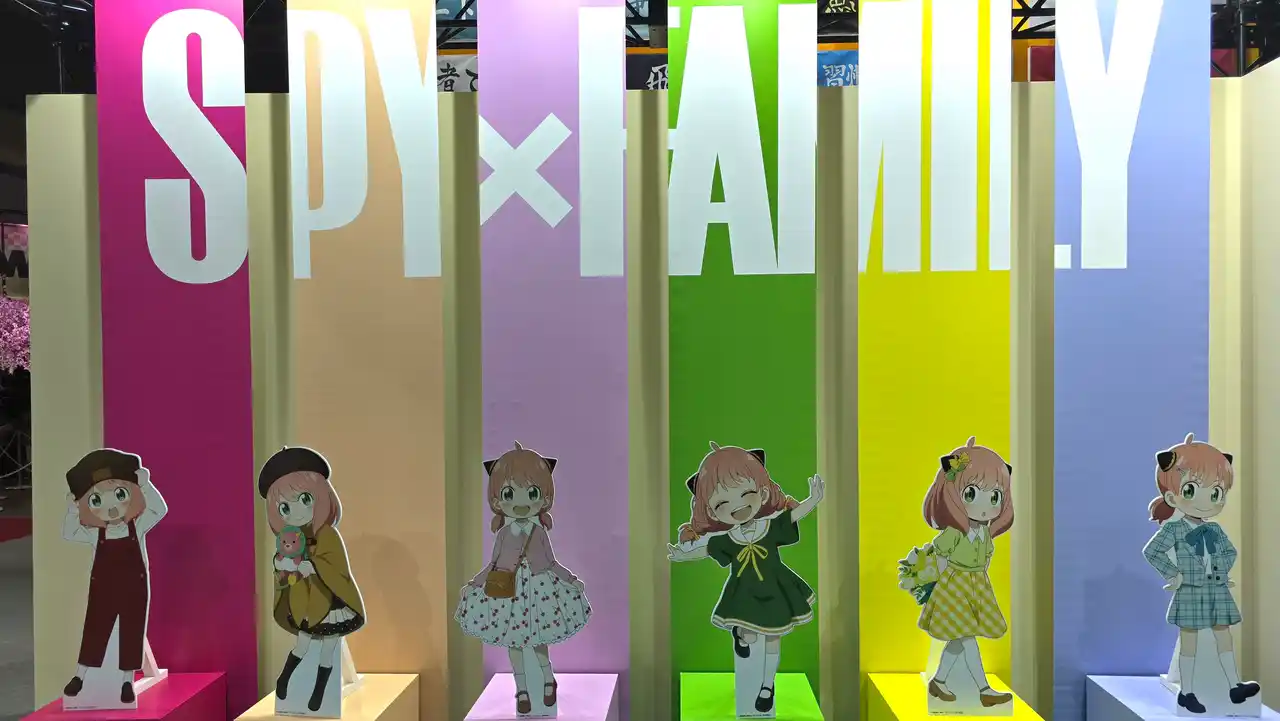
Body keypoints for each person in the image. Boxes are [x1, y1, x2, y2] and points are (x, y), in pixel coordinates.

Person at [667, 442, 823, 714]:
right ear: (711, 511)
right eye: (722, 503)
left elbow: (792, 516)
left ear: (762, 493)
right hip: (744, 593)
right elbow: (705, 549)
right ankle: (741, 634)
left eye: (746, 493)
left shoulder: (770, 527)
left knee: (773, 640)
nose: (737, 506)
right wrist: (683, 554)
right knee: (750, 633)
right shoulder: (728, 538)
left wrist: (813, 499)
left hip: (776, 589)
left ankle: (767, 687)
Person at [454, 442, 591, 714]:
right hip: (510, 592)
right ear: (497, 499)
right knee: (514, 644)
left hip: (538, 590)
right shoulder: (504, 534)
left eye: (531, 493)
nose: (520, 504)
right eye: (509, 494)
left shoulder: (538, 532)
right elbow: (493, 564)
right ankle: (522, 691)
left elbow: (551, 563)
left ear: (544, 497)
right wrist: (475, 584)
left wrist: (571, 579)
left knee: (539, 641)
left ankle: (548, 681)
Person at [1142, 433, 1260, 714]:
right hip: (1191, 589)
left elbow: (1230, 552)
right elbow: (1152, 552)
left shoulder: (1214, 529)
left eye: (1216, 492)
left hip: (1216, 588)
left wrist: (1221, 571)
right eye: (1192, 490)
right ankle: (1187, 692)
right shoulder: (1174, 529)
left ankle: (1234, 686)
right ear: (1172, 496)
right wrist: (1174, 575)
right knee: (1190, 641)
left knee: (1224, 635)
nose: (1207, 501)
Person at [260, 447, 366, 713]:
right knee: (302, 644)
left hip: (329, 603)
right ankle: (284, 680)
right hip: (305, 604)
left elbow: (338, 570)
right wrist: (281, 568)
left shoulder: (328, 535)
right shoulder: (291, 540)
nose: (296, 511)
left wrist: (314, 567)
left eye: (304, 499)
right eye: (285, 507)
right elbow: (284, 578)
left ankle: (320, 693)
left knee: (328, 649)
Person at [61, 449, 167, 704]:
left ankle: (127, 681)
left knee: (132, 629)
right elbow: (69, 533)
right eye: (96, 500)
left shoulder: (137, 527)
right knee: (95, 627)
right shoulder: (94, 534)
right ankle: (80, 675)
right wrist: (72, 510)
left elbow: (159, 510)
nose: (111, 508)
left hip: (134, 585)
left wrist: (146, 484)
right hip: (103, 587)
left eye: (120, 495)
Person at [918, 437, 1014, 708]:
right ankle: (984, 689)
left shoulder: (984, 533)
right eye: (971, 494)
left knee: (960, 640)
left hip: (976, 586)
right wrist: (935, 587)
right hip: (954, 587)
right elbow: (938, 555)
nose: (985, 506)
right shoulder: (954, 533)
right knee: (967, 638)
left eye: (994, 497)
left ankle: (939, 681)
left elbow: (985, 559)